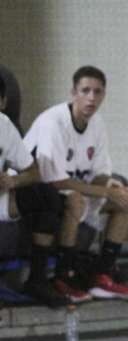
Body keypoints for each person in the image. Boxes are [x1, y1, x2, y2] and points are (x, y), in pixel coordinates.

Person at [23, 65, 128, 303]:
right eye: (85, 90)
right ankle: (63, 276)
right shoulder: (53, 122)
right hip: (34, 193)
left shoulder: (97, 124)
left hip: (69, 188)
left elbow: (99, 174)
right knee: (75, 200)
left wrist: (114, 188)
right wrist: (105, 190)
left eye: (97, 92)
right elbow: (55, 181)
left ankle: (103, 275)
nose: (91, 98)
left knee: (127, 201)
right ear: (73, 93)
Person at [0, 74, 69, 308]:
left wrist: (14, 182)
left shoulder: (4, 126)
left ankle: (38, 279)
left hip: (2, 198)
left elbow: (34, 171)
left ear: (2, 103)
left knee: (47, 195)